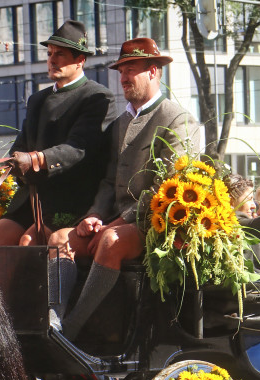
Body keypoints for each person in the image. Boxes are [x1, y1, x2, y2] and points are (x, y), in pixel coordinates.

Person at [47, 37, 200, 340]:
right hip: (115, 221)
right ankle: (52, 322)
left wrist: (115, 224)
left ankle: (71, 331)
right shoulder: (120, 123)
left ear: (154, 72)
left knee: (111, 242)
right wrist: (94, 215)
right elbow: (107, 181)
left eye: (131, 70)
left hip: (157, 225)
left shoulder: (177, 119)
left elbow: (164, 190)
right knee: (59, 238)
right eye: (121, 71)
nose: (124, 78)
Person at [0, 20, 116, 247]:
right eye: (50, 53)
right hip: (33, 198)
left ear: (80, 61)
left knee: (27, 242)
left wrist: (34, 160)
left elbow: (77, 148)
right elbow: (20, 146)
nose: (52, 60)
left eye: (60, 54)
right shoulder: (38, 99)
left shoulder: (97, 97)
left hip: (72, 200)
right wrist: (10, 162)